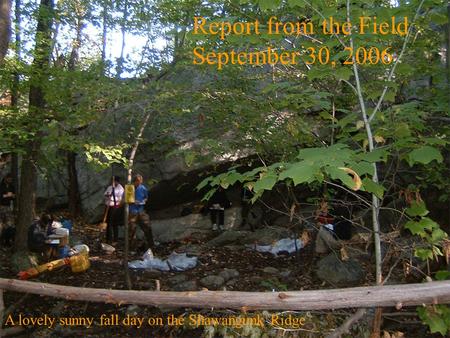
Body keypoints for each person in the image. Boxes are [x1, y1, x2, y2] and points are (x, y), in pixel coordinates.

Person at [129, 174, 154, 250]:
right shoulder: (130, 188)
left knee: (147, 227)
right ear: (135, 181)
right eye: (138, 181)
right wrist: (133, 201)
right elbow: (126, 200)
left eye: (140, 181)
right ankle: (131, 247)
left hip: (141, 210)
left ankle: (151, 245)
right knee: (132, 229)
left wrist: (143, 201)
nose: (139, 183)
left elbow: (146, 198)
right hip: (132, 211)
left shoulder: (143, 188)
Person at [103, 176, 124, 245]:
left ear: (117, 181)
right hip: (108, 206)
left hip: (115, 207)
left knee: (114, 223)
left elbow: (120, 199)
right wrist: (108, 195)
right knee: (108, 223)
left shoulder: (120, 189)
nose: (113, 182)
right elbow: (105, 194)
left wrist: (113, 198)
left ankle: (115, 239)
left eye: (114, 181)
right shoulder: (110, 187)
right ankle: (108, 239)